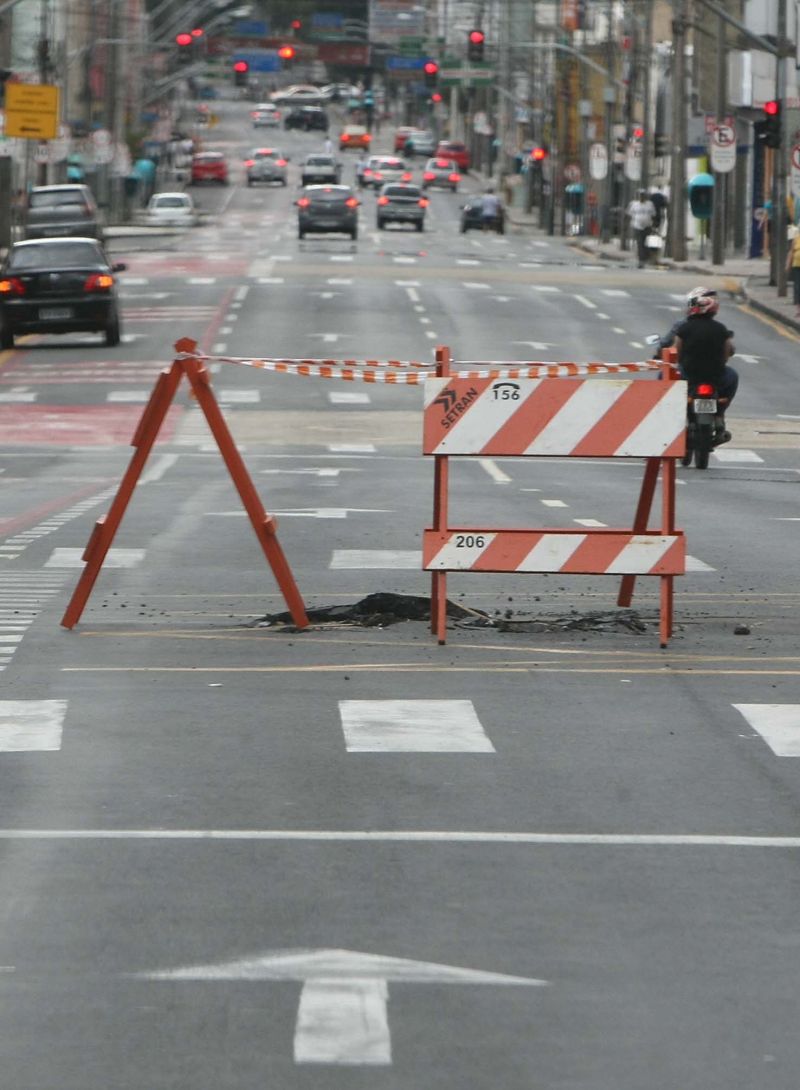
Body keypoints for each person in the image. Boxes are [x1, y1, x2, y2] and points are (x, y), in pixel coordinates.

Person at [673, 287, 737, 444]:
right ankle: (720, 414)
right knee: (733, 376)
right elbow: (728, 352)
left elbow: (676, 352)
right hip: (715, 377)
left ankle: (670, 416)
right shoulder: (721, 329)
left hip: (689, 376)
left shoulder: (684, 328)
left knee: (664, 376)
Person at [626, 188, 657, 267]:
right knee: (640, 243)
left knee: (647, 243)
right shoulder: (634, 204)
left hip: (647, 226)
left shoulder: (650, 204)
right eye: (640, 196)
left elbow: (653, 214)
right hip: (637, 226)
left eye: (643, 196)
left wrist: (654, 225)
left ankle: (648, 257)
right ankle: (641, 259)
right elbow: (629, 214)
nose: (641, 197)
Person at [786, 227, 800, 318]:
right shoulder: (796, 238)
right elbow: (791, 252)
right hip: (796, 266)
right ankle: (799, 310)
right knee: (798, 287)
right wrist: (788, 264)